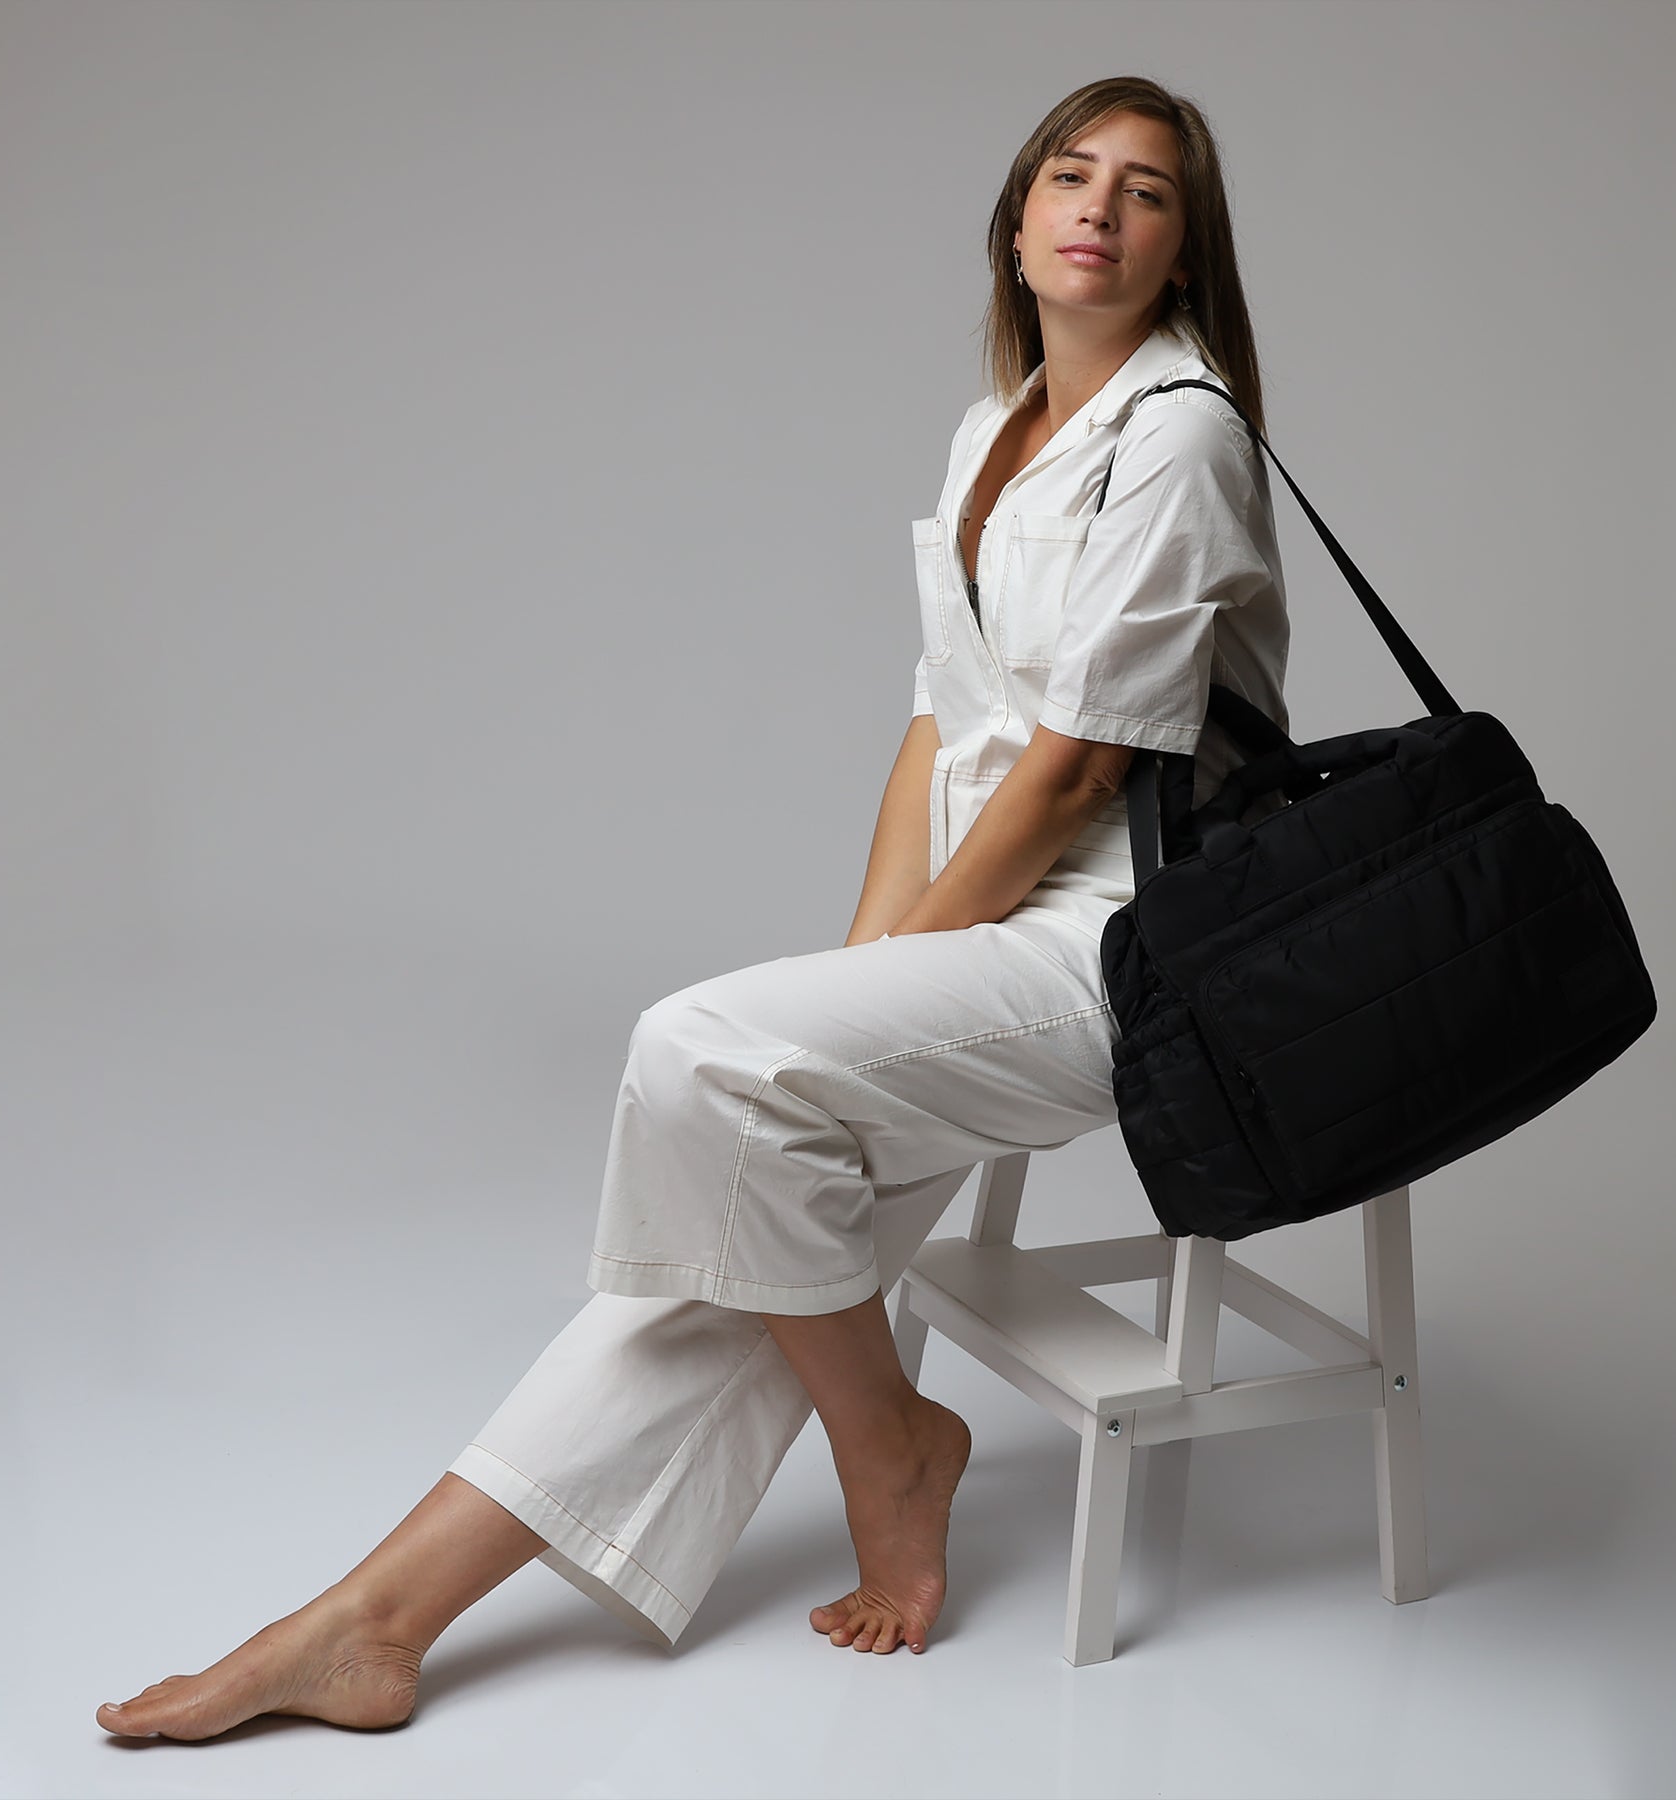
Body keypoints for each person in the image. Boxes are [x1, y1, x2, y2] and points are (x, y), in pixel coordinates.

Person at [96, 73, 1290, 1740]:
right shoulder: (995, 430)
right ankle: (374, 1623)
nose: (1099, 207)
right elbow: (941, 726)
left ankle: (889, 1447)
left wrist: (911, 960)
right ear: (1016, 224)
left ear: (1183, 250)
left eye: (1146, 191)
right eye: (1069, 175)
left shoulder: (1181, 437)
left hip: (1120, 949)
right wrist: (869, 965)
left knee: (704, 1061)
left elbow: (1079, 769)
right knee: (741, 1216)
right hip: (989, 925)